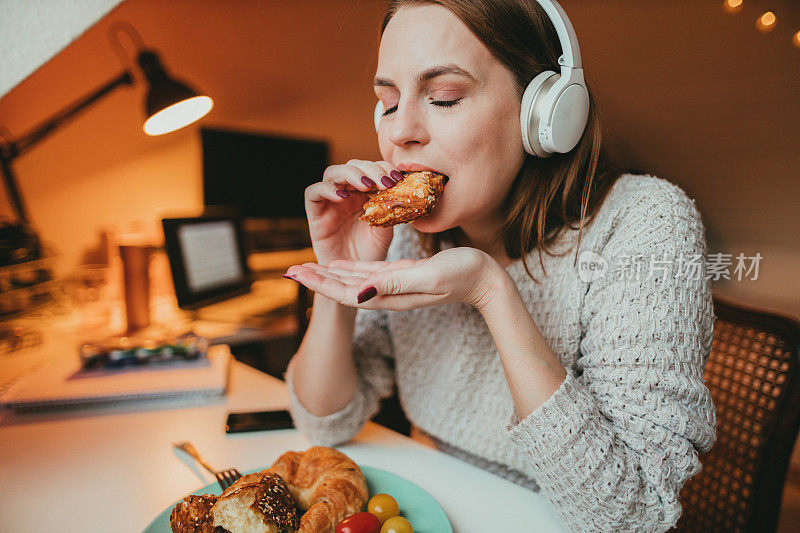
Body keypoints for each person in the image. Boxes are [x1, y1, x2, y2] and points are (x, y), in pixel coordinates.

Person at [282, 1, 716, 531]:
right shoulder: (404, 236)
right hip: (442, 507)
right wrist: (340, 278)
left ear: (545, 112)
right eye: (389, 102)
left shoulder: (645, 223)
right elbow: (325, 421)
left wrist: (491, 292)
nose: (401, 133)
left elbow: (631, 515)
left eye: (443, 97)